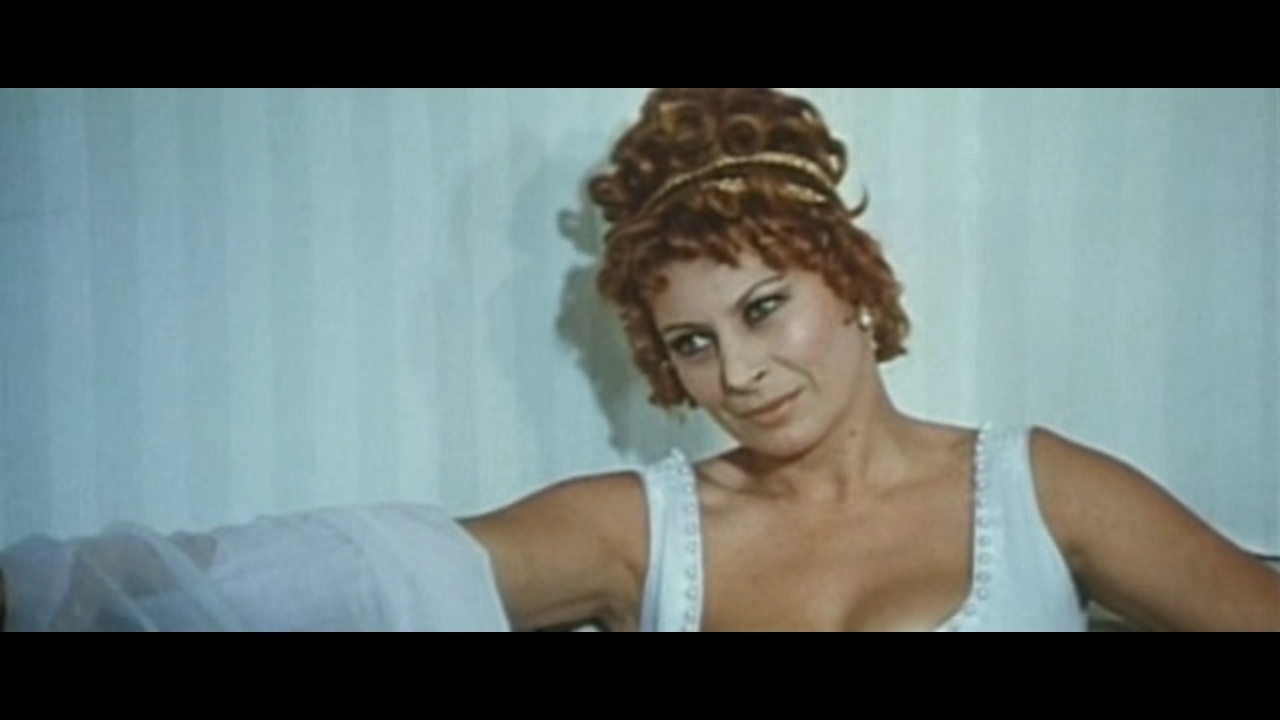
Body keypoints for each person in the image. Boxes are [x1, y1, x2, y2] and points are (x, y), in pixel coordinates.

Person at [3, 88, 1278, 632]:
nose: (739, 374)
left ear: (850, 280)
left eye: (764, 307)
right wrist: (74, 588)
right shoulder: (640, 531)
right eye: (692, 343)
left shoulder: (1038, 489)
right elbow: (364, 573)